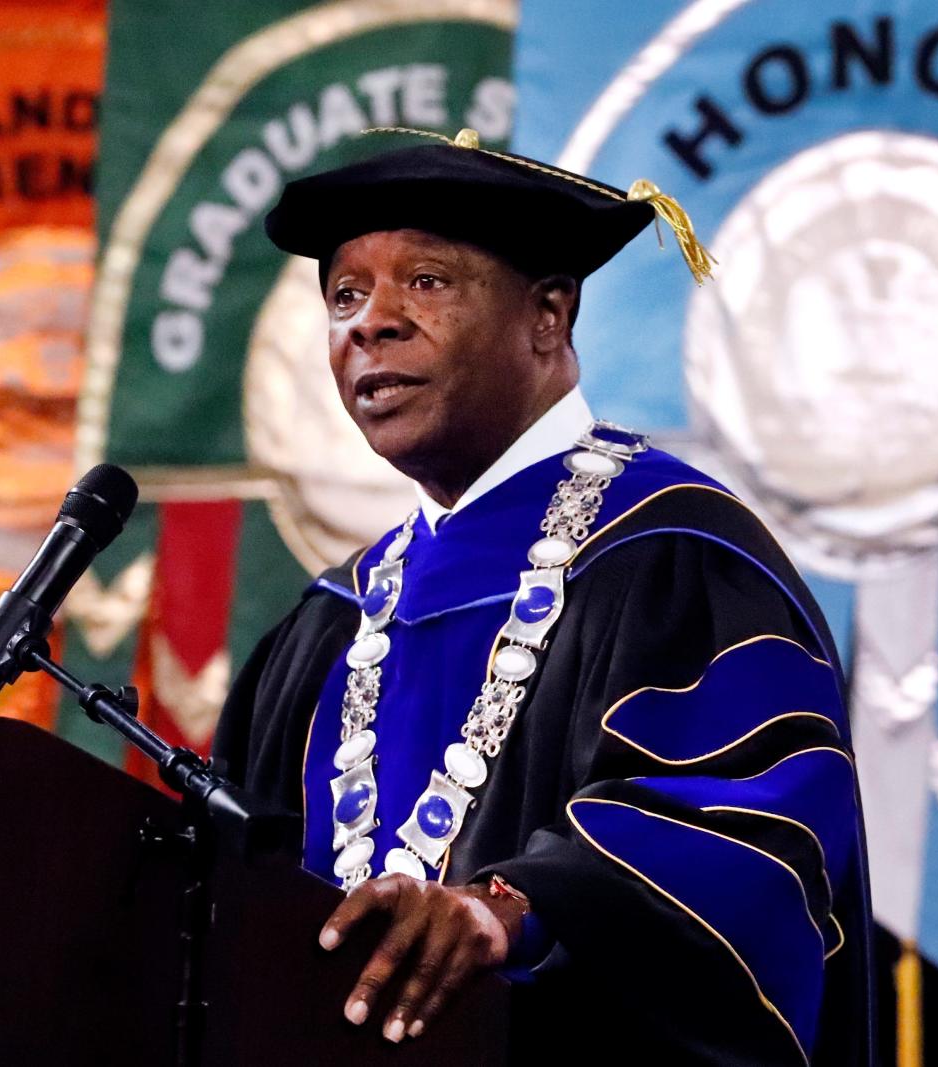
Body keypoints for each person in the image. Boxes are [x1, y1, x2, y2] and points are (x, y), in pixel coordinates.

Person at [213, 128, 873, 1065]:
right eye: (346, 295)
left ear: (548, 316)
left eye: (426, 281)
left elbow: (748, 839)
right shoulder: (325, 625)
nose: (371, 322)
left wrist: (514, 909)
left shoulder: (673, 554)